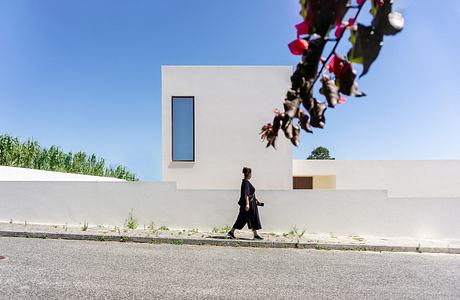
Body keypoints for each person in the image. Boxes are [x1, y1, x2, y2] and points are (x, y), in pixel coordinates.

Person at [227, 167, 263, 240]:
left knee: (251, 219)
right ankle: (231, 232)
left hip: (251, 204)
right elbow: (246, 194)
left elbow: (251, 194)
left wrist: (257, 200)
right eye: (251, 173)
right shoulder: (245, 182)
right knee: (242, 219)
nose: (251, 175)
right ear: (248, 174)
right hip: (248, 205)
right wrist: (247, 204)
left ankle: (255, 235)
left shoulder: (246, 182)